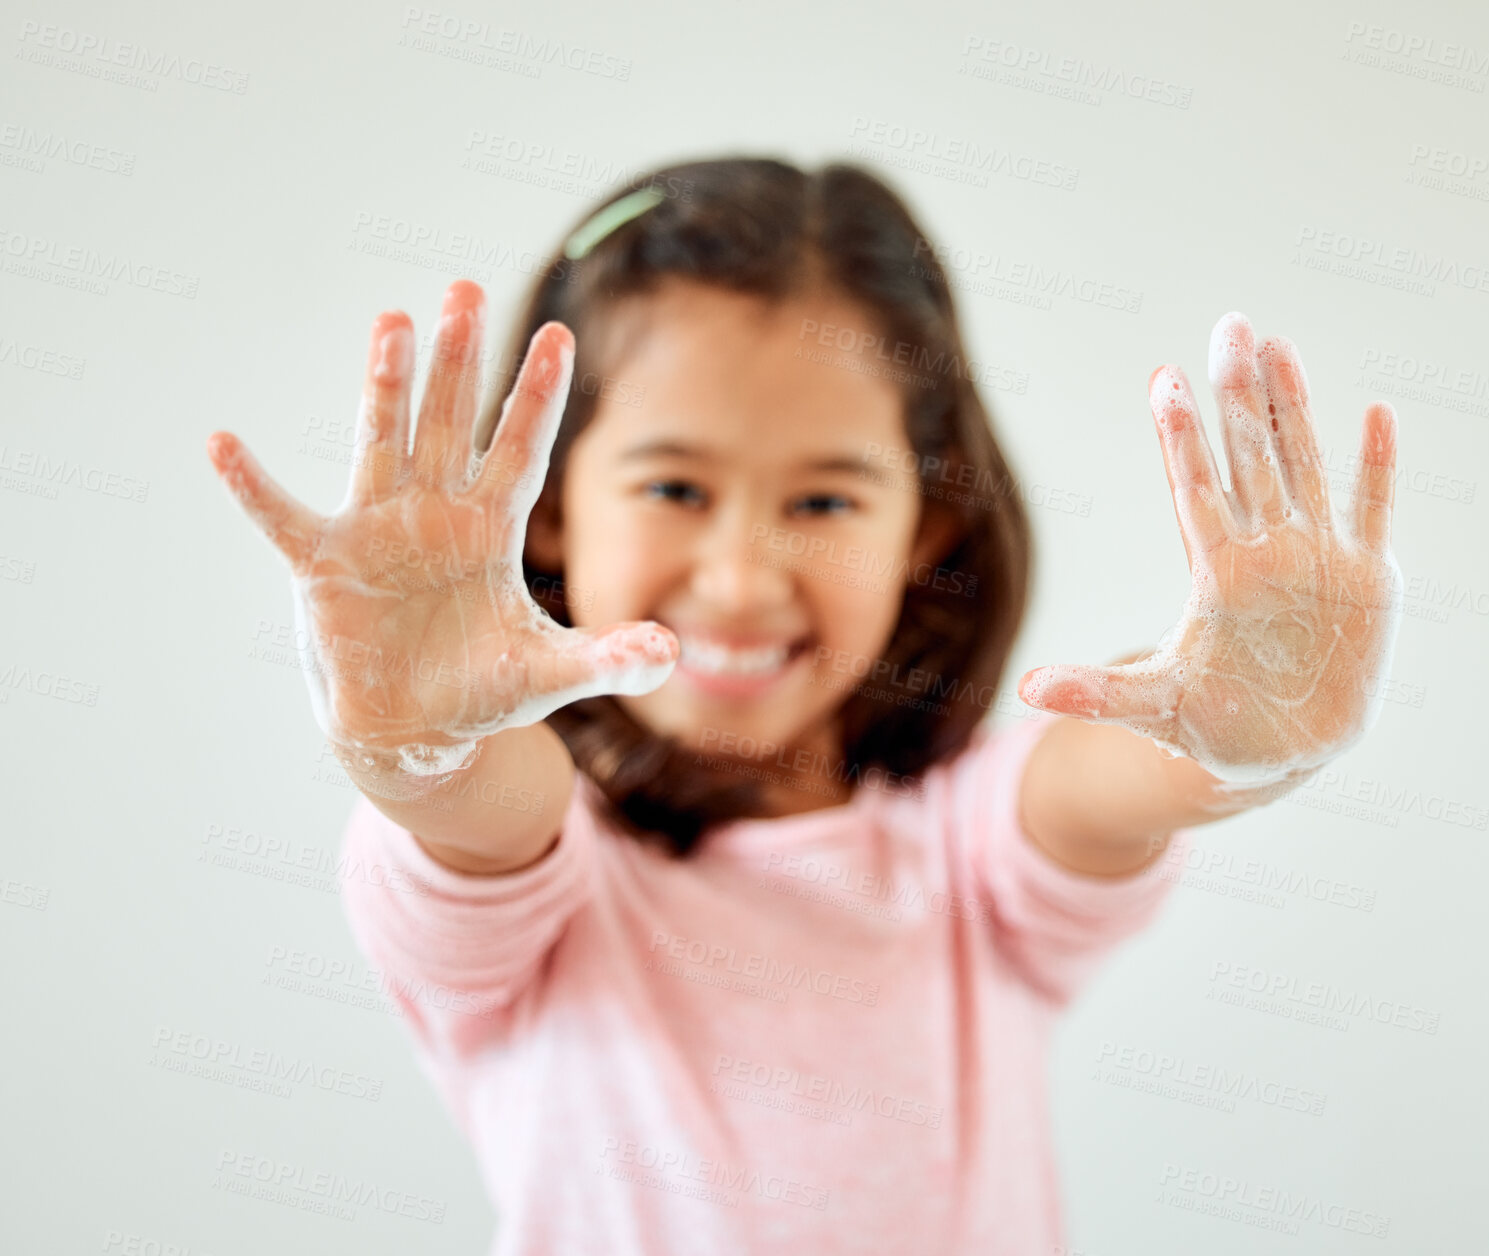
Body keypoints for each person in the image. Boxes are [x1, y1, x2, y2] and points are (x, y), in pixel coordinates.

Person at [206, 157, 1403, 1254]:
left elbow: (1110, 783)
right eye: (675, 485)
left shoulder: (961, 842)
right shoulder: (547, 858)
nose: (740, 576)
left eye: (824, 503)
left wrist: (1247, 747)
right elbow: (483, 803)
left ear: (922, 526)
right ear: (556, 508)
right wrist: (422, 744)